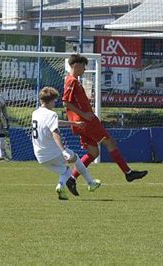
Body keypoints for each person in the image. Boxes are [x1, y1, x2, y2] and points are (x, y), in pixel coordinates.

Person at [62, 54, 148, 196]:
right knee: (110, 143)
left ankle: (71, 179)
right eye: (83, 66)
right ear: (75, 65)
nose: (84, 69)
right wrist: (84, 115)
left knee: (93, 152)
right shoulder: (72, 81)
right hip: (86, 122)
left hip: (82, 123)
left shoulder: (74, 81)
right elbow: (65, 102)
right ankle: (128, 173)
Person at [32, 87, 101, 200]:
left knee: (66, 171)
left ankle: (61, 187)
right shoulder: (51, 114)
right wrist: (63, 151)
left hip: (40, 156)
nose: (55, 103)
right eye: (54, 101)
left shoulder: (35, 113)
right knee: (76, 158)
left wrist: (74, 123)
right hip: (53, 152)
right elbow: (55, 133)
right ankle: (90, 182)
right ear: (50, 101)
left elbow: (54, 123)